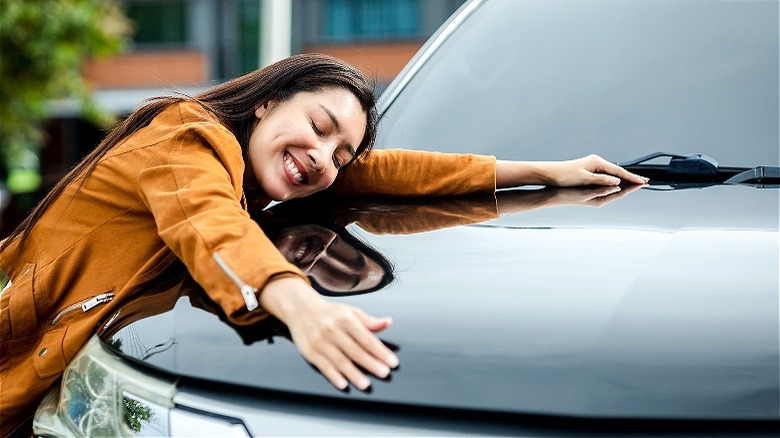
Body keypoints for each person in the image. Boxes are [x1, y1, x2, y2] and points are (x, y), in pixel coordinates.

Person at [0, 53, 647, 435]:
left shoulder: (264, 173)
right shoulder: (183, 136)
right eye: (317, 126)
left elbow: (388, 171)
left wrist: (546, 172)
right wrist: (300, 305)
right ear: (267, 102)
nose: (322, 159)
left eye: (339, 153)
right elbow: (206, 222)